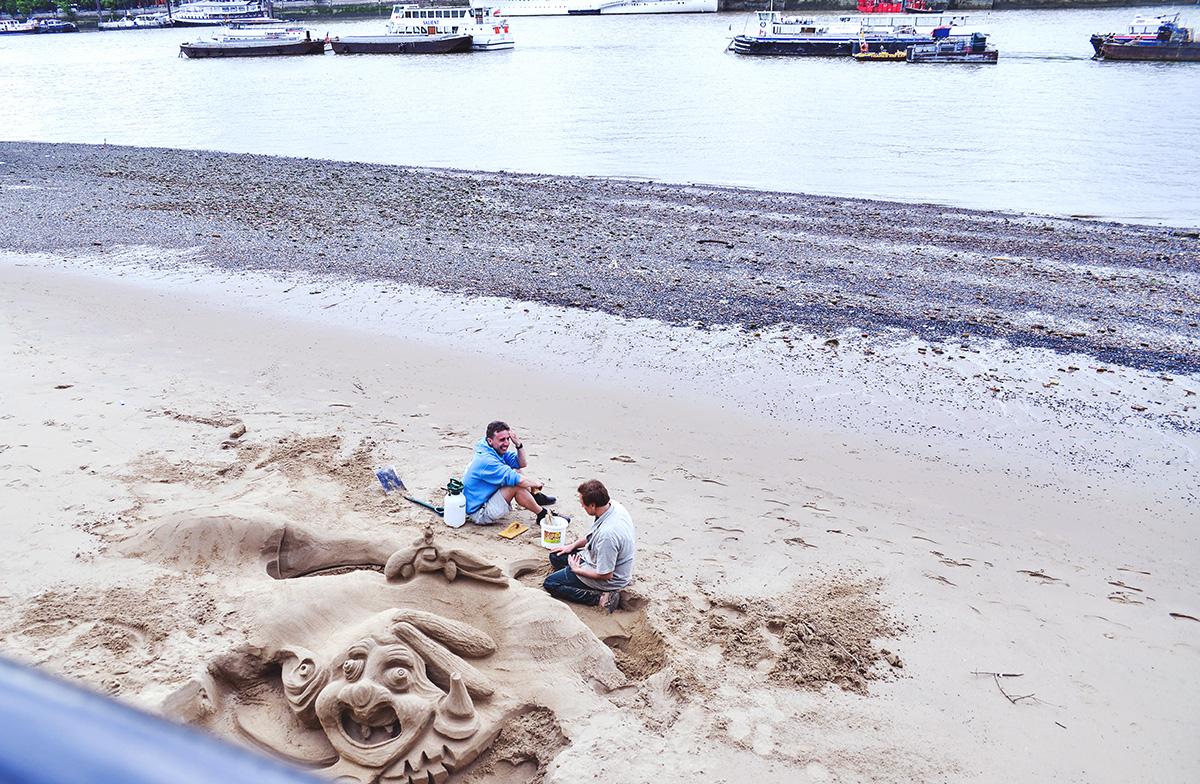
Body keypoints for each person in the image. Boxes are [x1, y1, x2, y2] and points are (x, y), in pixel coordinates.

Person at [543, 479, 635, 613]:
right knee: (556, 556)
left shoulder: (608, 535)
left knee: (551, 583)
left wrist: (578, 570)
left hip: (610, 577)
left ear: (592, 505)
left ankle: (601, 598)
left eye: (583, 504)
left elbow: (606, 574)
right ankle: (576, 577)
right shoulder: (612, 506)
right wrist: (571, 546)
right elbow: (593, 537)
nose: (582, 507)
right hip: (596, 558)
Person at [462, 421, 555, 526]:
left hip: (484, 497)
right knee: (516, 486)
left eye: (508, 439)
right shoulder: (487, 460)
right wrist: (535, 484)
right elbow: (518, 480)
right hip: (479, 512)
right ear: (490, 441)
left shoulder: (492, 449)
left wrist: (518, 444)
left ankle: (534, 496)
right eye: (502, 440)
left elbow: (522, 463)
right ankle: (542, 514)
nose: (506, 443)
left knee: (516, 470)